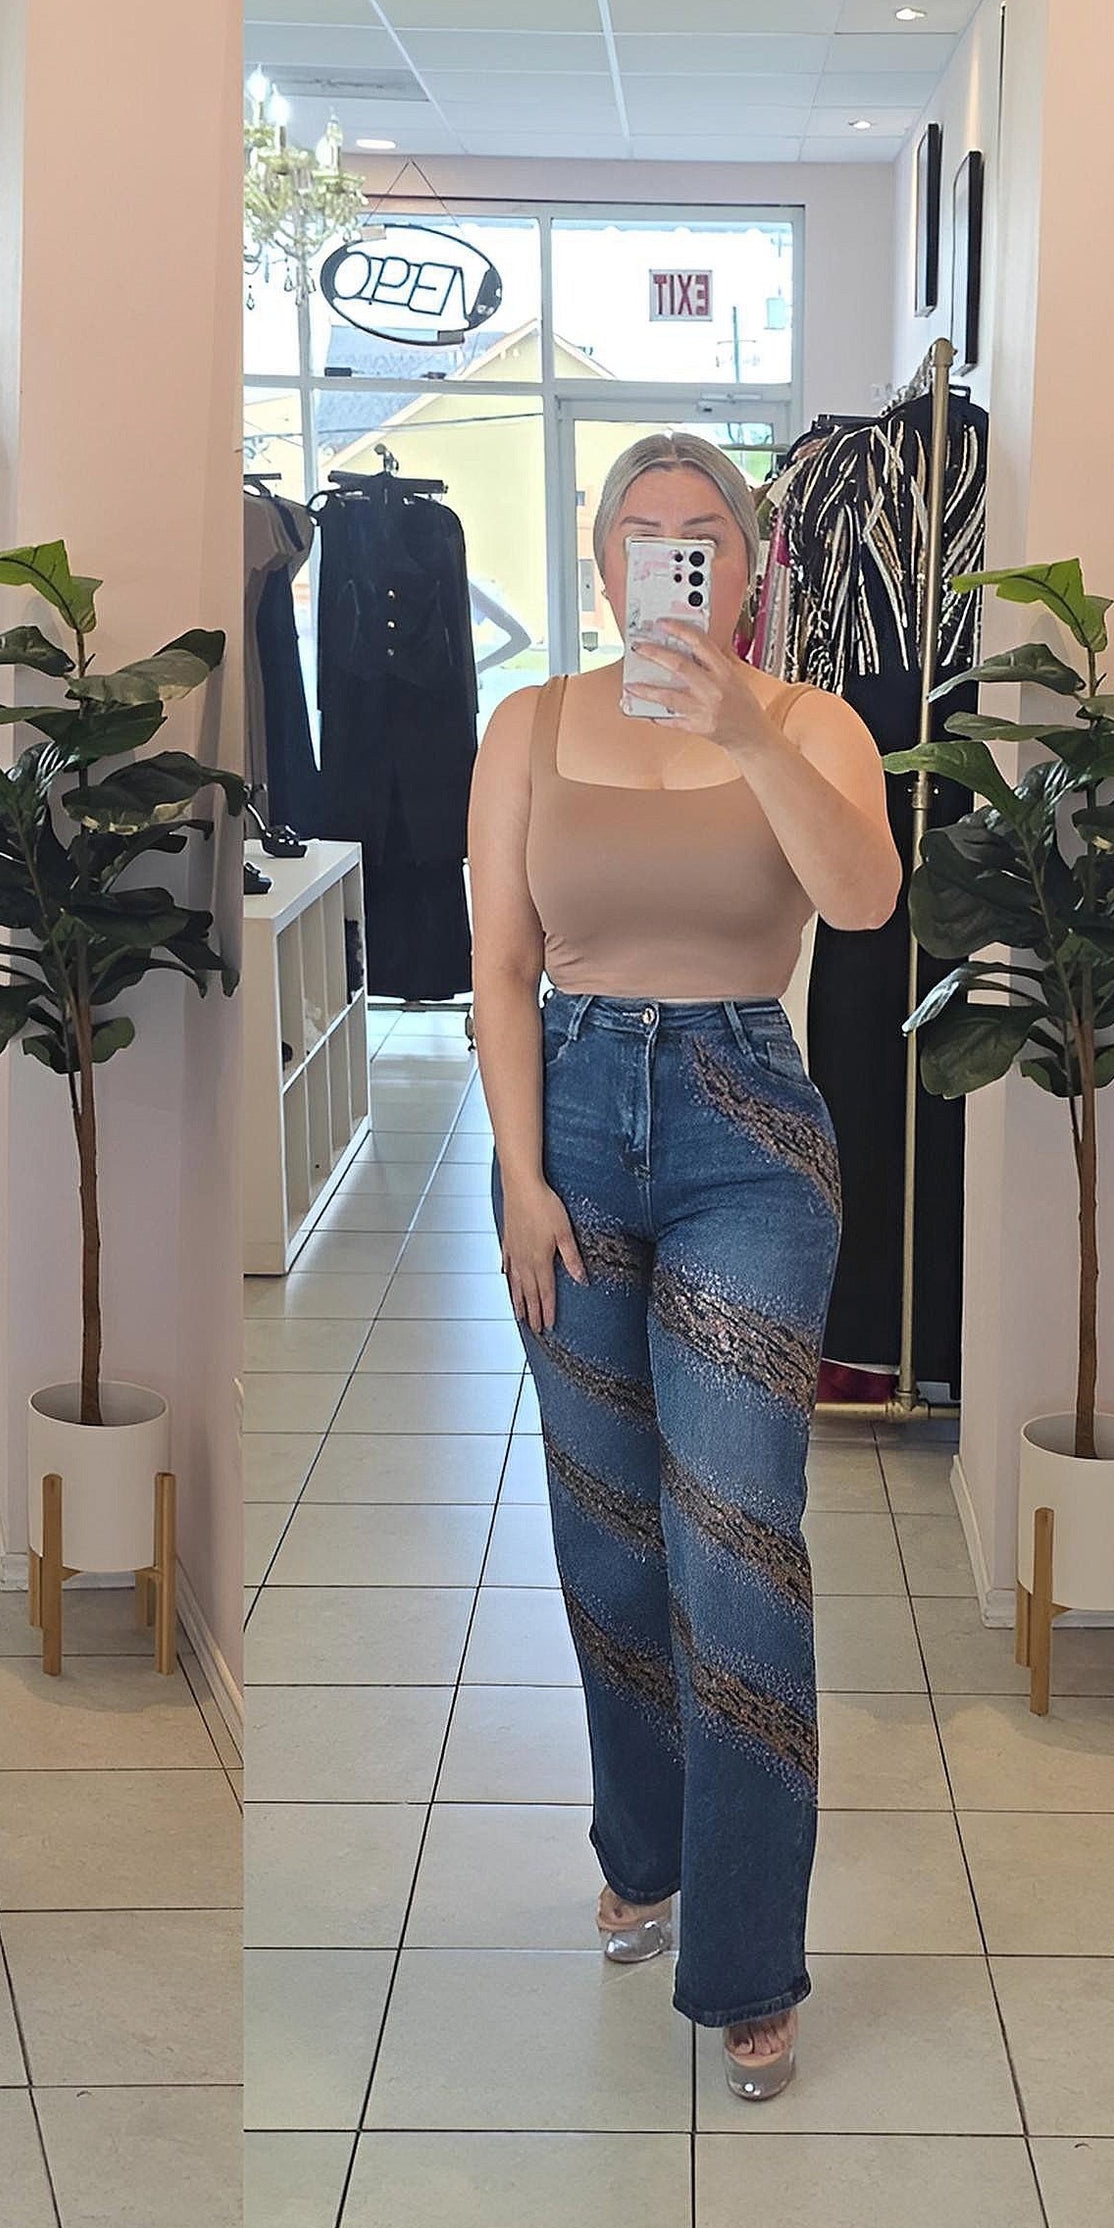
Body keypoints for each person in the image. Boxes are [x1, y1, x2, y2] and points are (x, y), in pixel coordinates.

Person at [467, 432, 902, 2100]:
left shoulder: (808, 722)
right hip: (569, 1124)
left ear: (746, 563)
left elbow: (860, 900)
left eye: (700, 533)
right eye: (640, 534)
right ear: (600, 567)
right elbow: (500, 966)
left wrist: (742, 730)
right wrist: (520, 1176)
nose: (670, 555)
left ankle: (746, 1957)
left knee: (736, 1543)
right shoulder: (528, 725)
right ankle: (642, 1853)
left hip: (745, 1132)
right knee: (606, 1529)